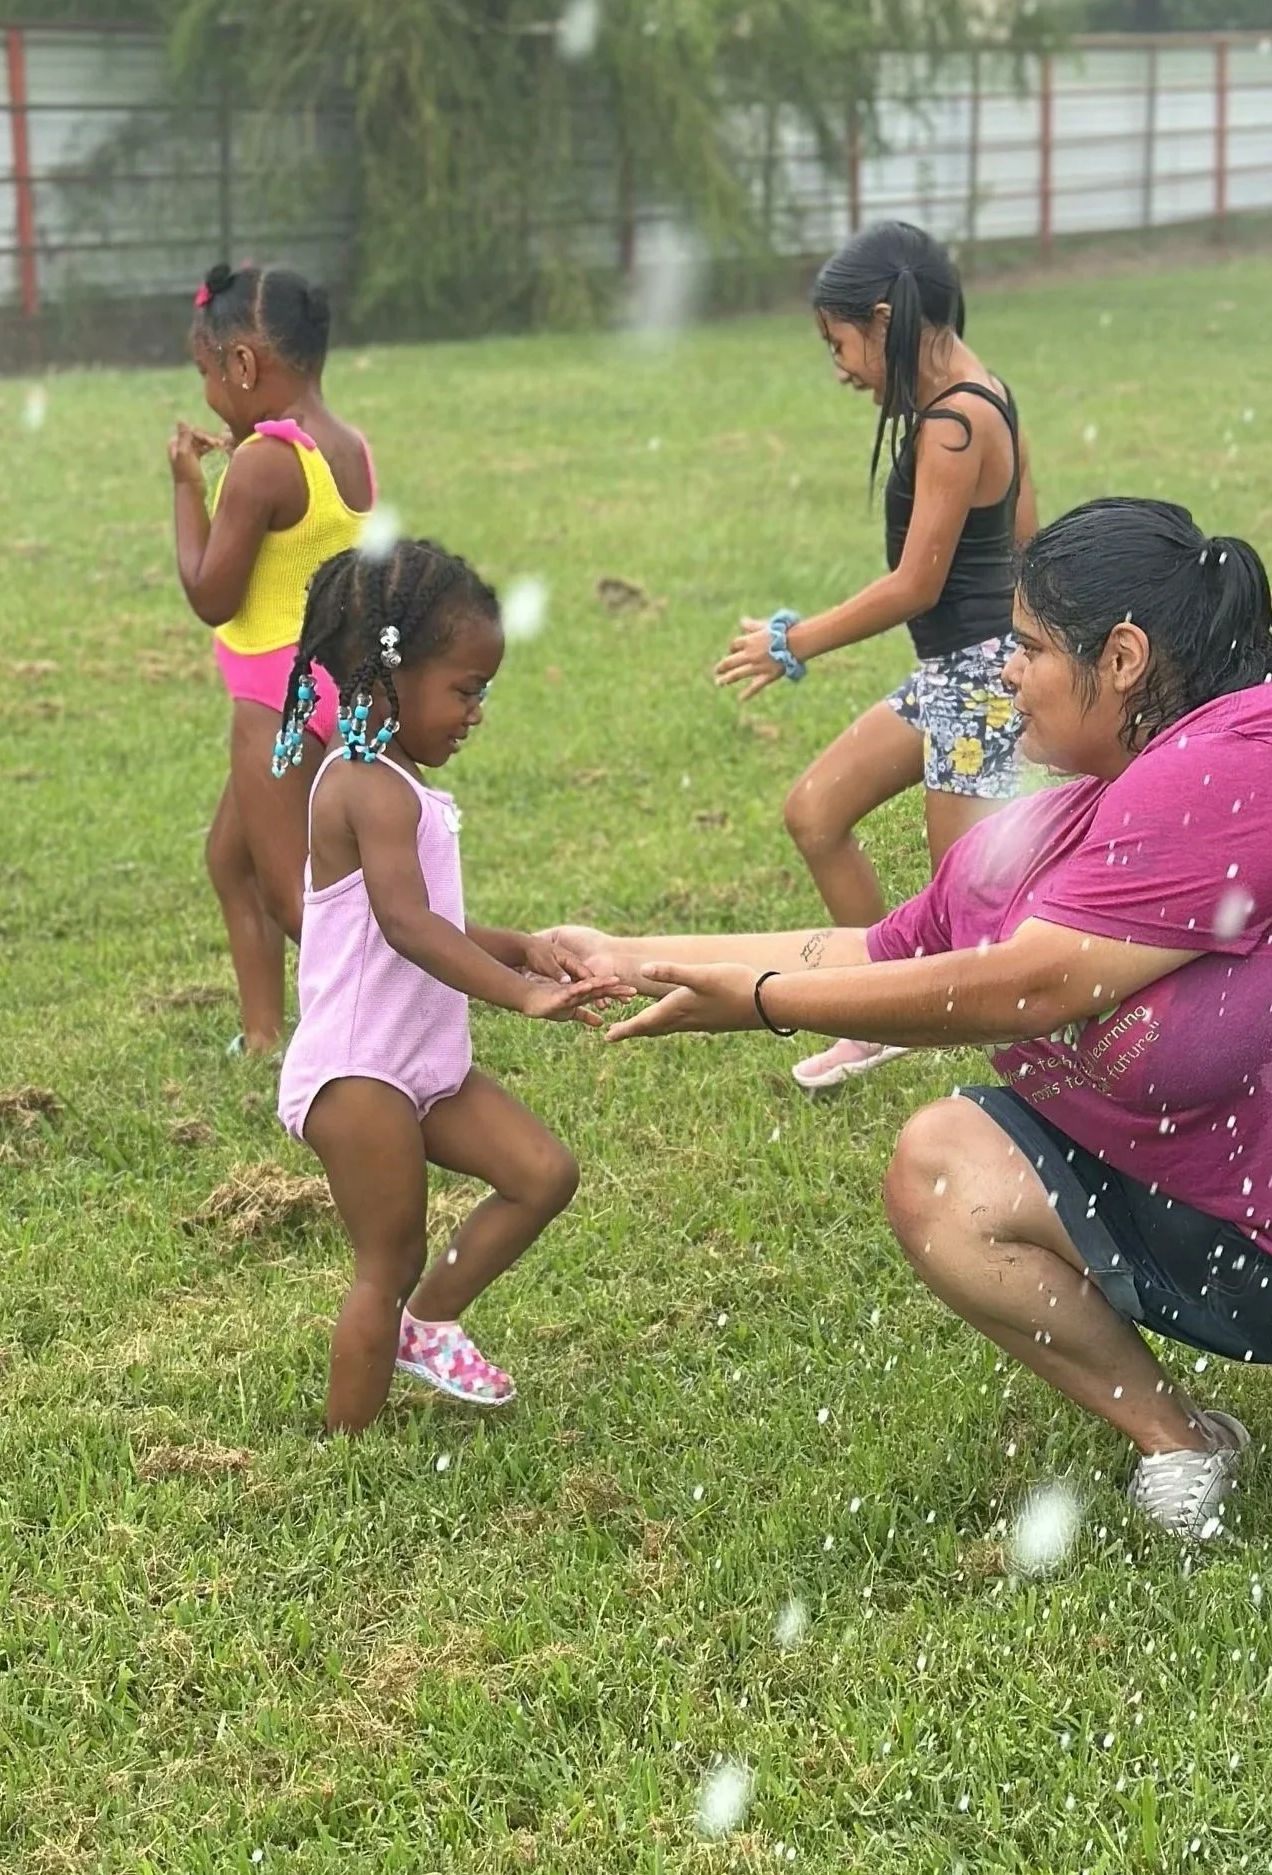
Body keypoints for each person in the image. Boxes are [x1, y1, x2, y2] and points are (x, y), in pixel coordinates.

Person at [553, 499, 1272, 1620]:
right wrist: (634, 954)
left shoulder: (1260, 745)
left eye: (1029, 648)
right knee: (945, 1169)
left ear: (1123, 657)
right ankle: (1184, 1436)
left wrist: (765, 1005)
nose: (1005, 672)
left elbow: (1036, 983)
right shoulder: (1088, 815)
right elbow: (889, 946)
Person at [274, 539, 629, 1434]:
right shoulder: (363, 786)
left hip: (420, 1061)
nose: (475, 712)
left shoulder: (398, 779)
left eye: (484, 693)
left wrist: (521, 946)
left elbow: (425, 917)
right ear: (384, 675)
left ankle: (427, 1323)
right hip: (361, 1071)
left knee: (542, 1172)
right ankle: (342, 1449)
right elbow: (405, 924)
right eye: (464, 690)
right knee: (384, 1260)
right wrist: (519, 994)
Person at [712, 221, 1038, 1092]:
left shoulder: (959, 422)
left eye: (841, 343)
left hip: (977, 685)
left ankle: (1042, 1063)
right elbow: (1025, 541)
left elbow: (914, 586)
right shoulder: (975, 398)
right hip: (952, 676)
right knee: (815, 812)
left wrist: (792, 642)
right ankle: (882, 1008)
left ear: (886, 317)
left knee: (973, 920)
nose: (843, 367)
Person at [169, 262, 376, 1057]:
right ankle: (262, 1036)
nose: (210, 398)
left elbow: (211, 595)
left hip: (273, 702)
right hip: (340, 682)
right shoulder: (349, 448)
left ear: (245, 364)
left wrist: (187, 485)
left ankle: (359, 1036)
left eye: (207, 374)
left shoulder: (262, 463)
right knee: (231, 858)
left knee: (297, 897)